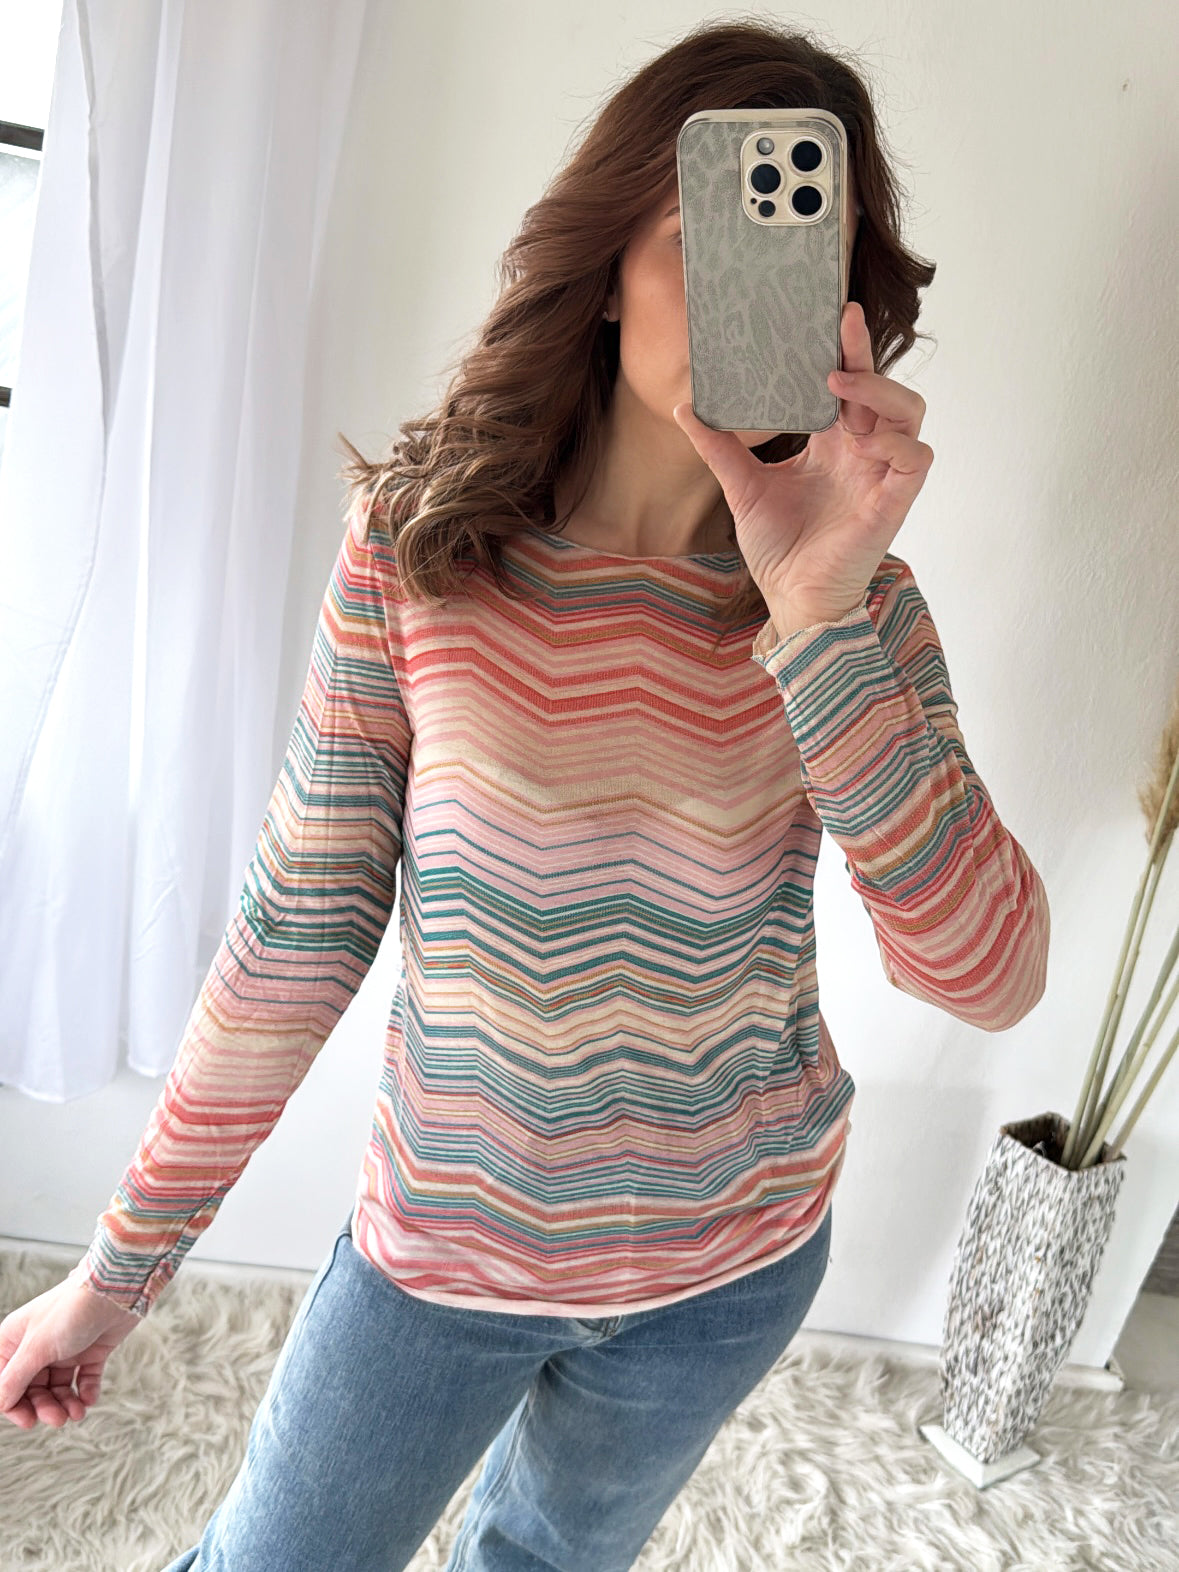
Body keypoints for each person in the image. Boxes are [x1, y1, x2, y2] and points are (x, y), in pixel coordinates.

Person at [0, 18, 1050, 1571]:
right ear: (608, 256)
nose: (745, 287)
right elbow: (296, 939)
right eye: (703, 234)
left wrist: (818, 620)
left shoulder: (856, 611)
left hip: (733, 1263)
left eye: (800, 248)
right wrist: (118, 1272)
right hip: (443, 1258)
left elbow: (991, 977)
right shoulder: (418, 553)